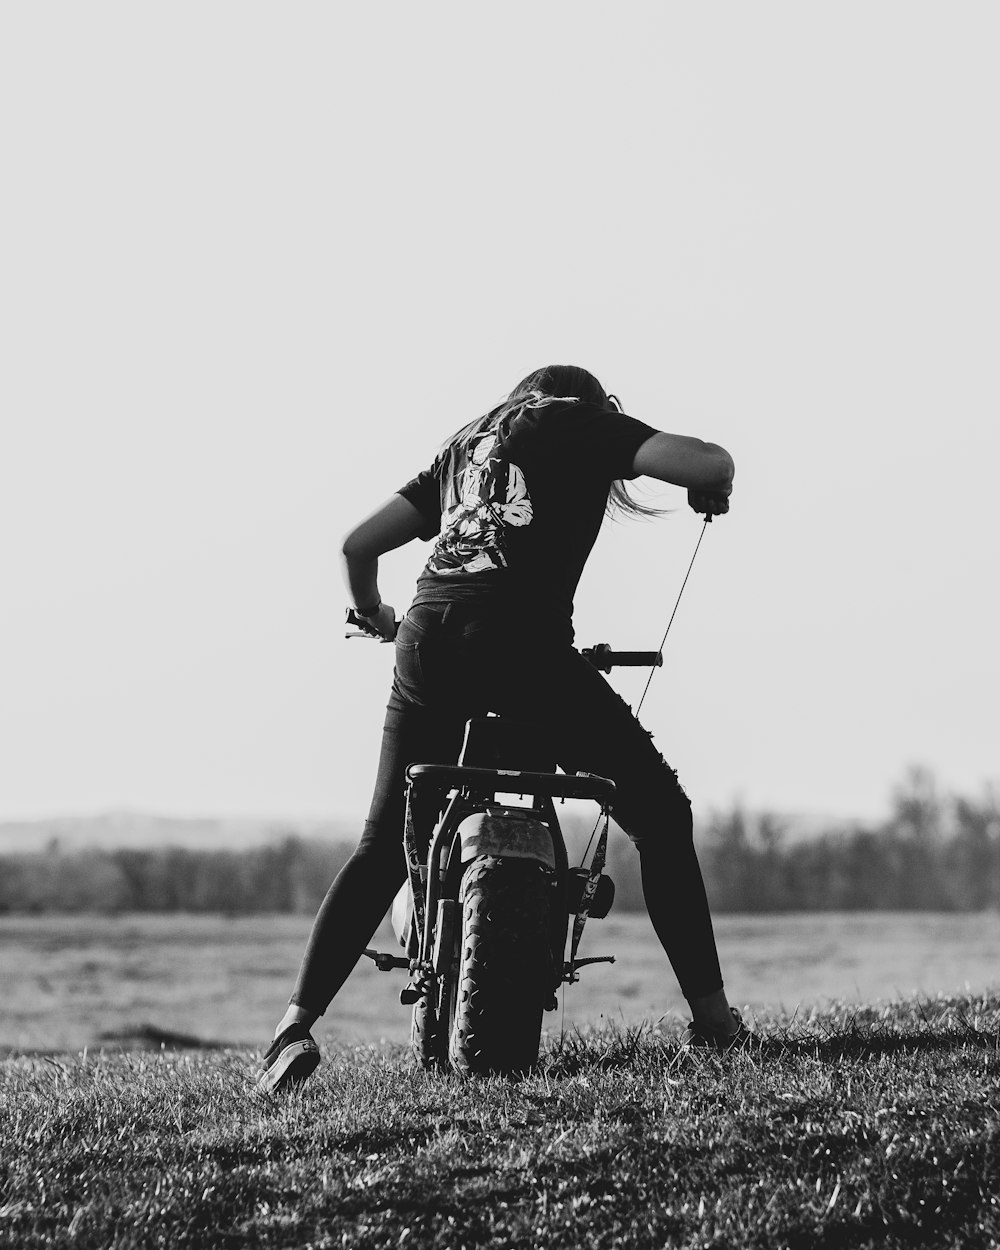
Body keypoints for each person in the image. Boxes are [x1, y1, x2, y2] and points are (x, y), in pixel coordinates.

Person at [256, 364, 748, 1093]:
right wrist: (710, 484)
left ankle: (291, 1030)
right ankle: (715, 1027)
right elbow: (711, 461)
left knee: (385, 840)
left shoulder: (467, 444)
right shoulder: (571, 418)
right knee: (660, 814)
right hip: (520, 641)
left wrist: (374, 616)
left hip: (425, 640)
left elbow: (356, 548)